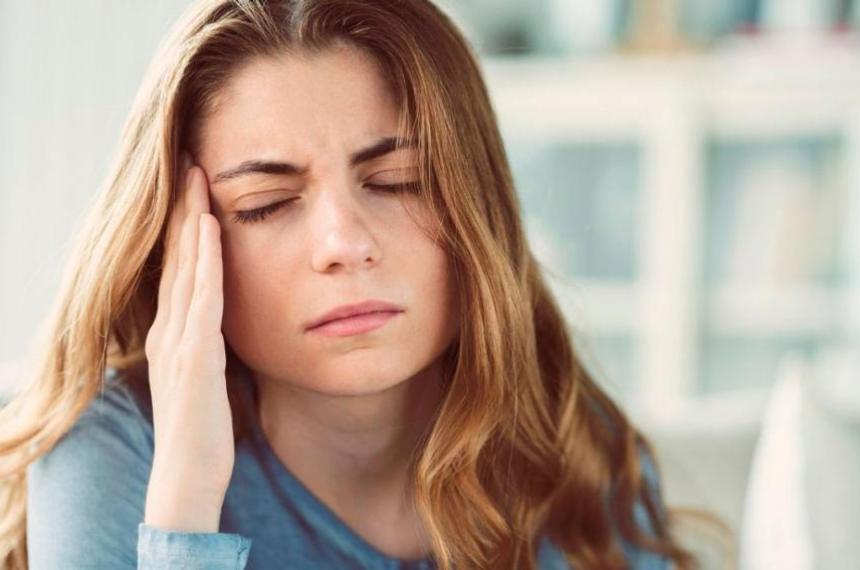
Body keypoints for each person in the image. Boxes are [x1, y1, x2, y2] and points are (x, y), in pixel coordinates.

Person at [0, 0, 702, 568]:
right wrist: (185, 504)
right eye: (265, 205)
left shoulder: (575, 449)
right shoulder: (113, 450)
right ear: (179, 245)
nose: (344, 245)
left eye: (400, 183)